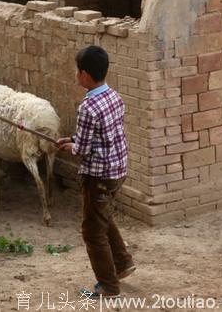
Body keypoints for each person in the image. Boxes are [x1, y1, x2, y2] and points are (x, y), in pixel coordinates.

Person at [56, 45, 135, 299]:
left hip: (98, 176)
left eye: (78, 72)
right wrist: (72, 139)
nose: (77, 76)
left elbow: (83, 150)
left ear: (85, 75)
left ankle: (109, 286)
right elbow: (103, 135)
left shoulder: (87, 107)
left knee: (92, 230)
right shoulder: (114, 96)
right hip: (118, 170)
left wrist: (71, 146)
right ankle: (122, 263)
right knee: (102, 216)